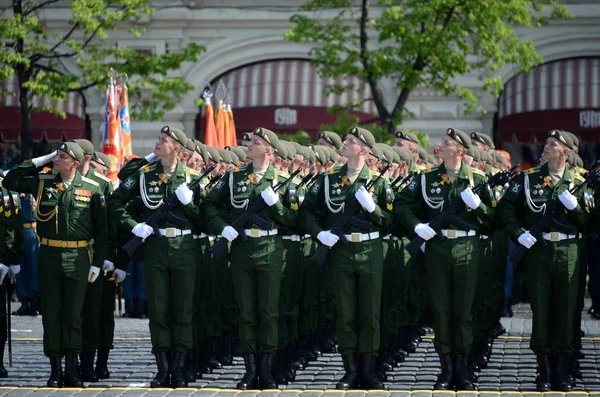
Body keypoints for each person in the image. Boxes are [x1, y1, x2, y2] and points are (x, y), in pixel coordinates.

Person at [2, 142, 108, 388]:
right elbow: (11, 180)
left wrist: (97, 263)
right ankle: (55, 371)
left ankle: (72, 370)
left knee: (73, 315)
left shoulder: (92, 188)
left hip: (79, 257)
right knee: (51, 314)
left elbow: (102, 232)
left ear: (75, 162)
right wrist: (43, 159)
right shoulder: (43, 182)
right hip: (49, 254)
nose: (57, 160)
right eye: (56, 156)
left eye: (62, 157)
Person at [394, 128, 492, 391]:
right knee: (442, 311)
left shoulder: (478, 180)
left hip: (466, 248)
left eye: (446, 142)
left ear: (460, 150)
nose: (440, 145)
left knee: (463, 312)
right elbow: (401, 204)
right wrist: (417, 227)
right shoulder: (427, 179)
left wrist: (478, 207)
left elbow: (496, 217)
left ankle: (464, 369)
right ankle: (446, 370)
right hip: (438, 248)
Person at [203, 127, 298, 390]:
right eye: (250, 141)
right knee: (246, 313)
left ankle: (266, 372)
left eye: (255, 142)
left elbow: (293, 219)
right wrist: (223, 227)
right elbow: (210, 205)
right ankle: (249, 372)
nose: (249, 144)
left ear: (269, 150)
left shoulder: (282, 179)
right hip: (242, 249)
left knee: (268, 312)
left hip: (270, 248)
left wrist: (276, 205)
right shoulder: (235, 177)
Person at [299, 126, 394, 390]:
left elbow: (390, 221)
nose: (346, 143)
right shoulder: (329, 180)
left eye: (352, 141)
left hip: (370, 251)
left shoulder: (379, 182)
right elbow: (307, 212)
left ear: (364, 150)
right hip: (340, 251)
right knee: (346, 312)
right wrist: (320, 234)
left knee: (370, 314)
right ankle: (350, 370)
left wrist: (373, 209)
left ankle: (369, 371)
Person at [109, 126, 200, 388]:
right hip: (156, 247)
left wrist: (190, 203)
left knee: (182, 310)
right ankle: (163, 369)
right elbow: (116, 201)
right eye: (159, 138)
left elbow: (204, 219)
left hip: (184, 247)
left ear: (178, 149)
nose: (158, 142)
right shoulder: (145, 175)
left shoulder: (192, 178)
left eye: (164, 140)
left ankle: (180, 370)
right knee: (158, 310)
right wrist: (133, 225)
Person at [498, 129, 588, 392]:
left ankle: (563, 371)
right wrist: (519, 234)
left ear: (566, 152)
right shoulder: (528, 179)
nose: (545, 146)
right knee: (542, 310)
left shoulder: (579, 182)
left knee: (567, 311)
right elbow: (505, 208)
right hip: (539, 251)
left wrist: (577, 209)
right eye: (547, 142)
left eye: (552, 144)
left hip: (569, 251)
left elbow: (591, 224)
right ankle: (544, 371)